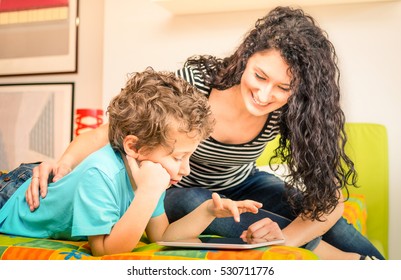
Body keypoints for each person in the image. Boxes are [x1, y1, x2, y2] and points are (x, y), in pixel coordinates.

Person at [25, 6, 384, 259]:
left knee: (315, 210)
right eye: (259, 76)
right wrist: (64, 165)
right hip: (180, 188)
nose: (264, 95)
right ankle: (334, 259)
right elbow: (114, 132)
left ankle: (374, 267)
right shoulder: (196, 84)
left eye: (282, 87)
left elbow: (331, 199)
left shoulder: (290, 109)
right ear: (246, 58)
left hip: (243, 181)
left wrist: (288, 238)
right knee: (198, 203)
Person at [0, 68, 265, 256]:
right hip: (11, 196)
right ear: (134, 146)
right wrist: (147, 194)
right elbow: (107, 251)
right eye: (177, 157)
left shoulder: (148, 173)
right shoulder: (101, 173)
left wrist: (207, 211)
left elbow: (161, 235)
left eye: (188, 157)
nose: (186, 169)